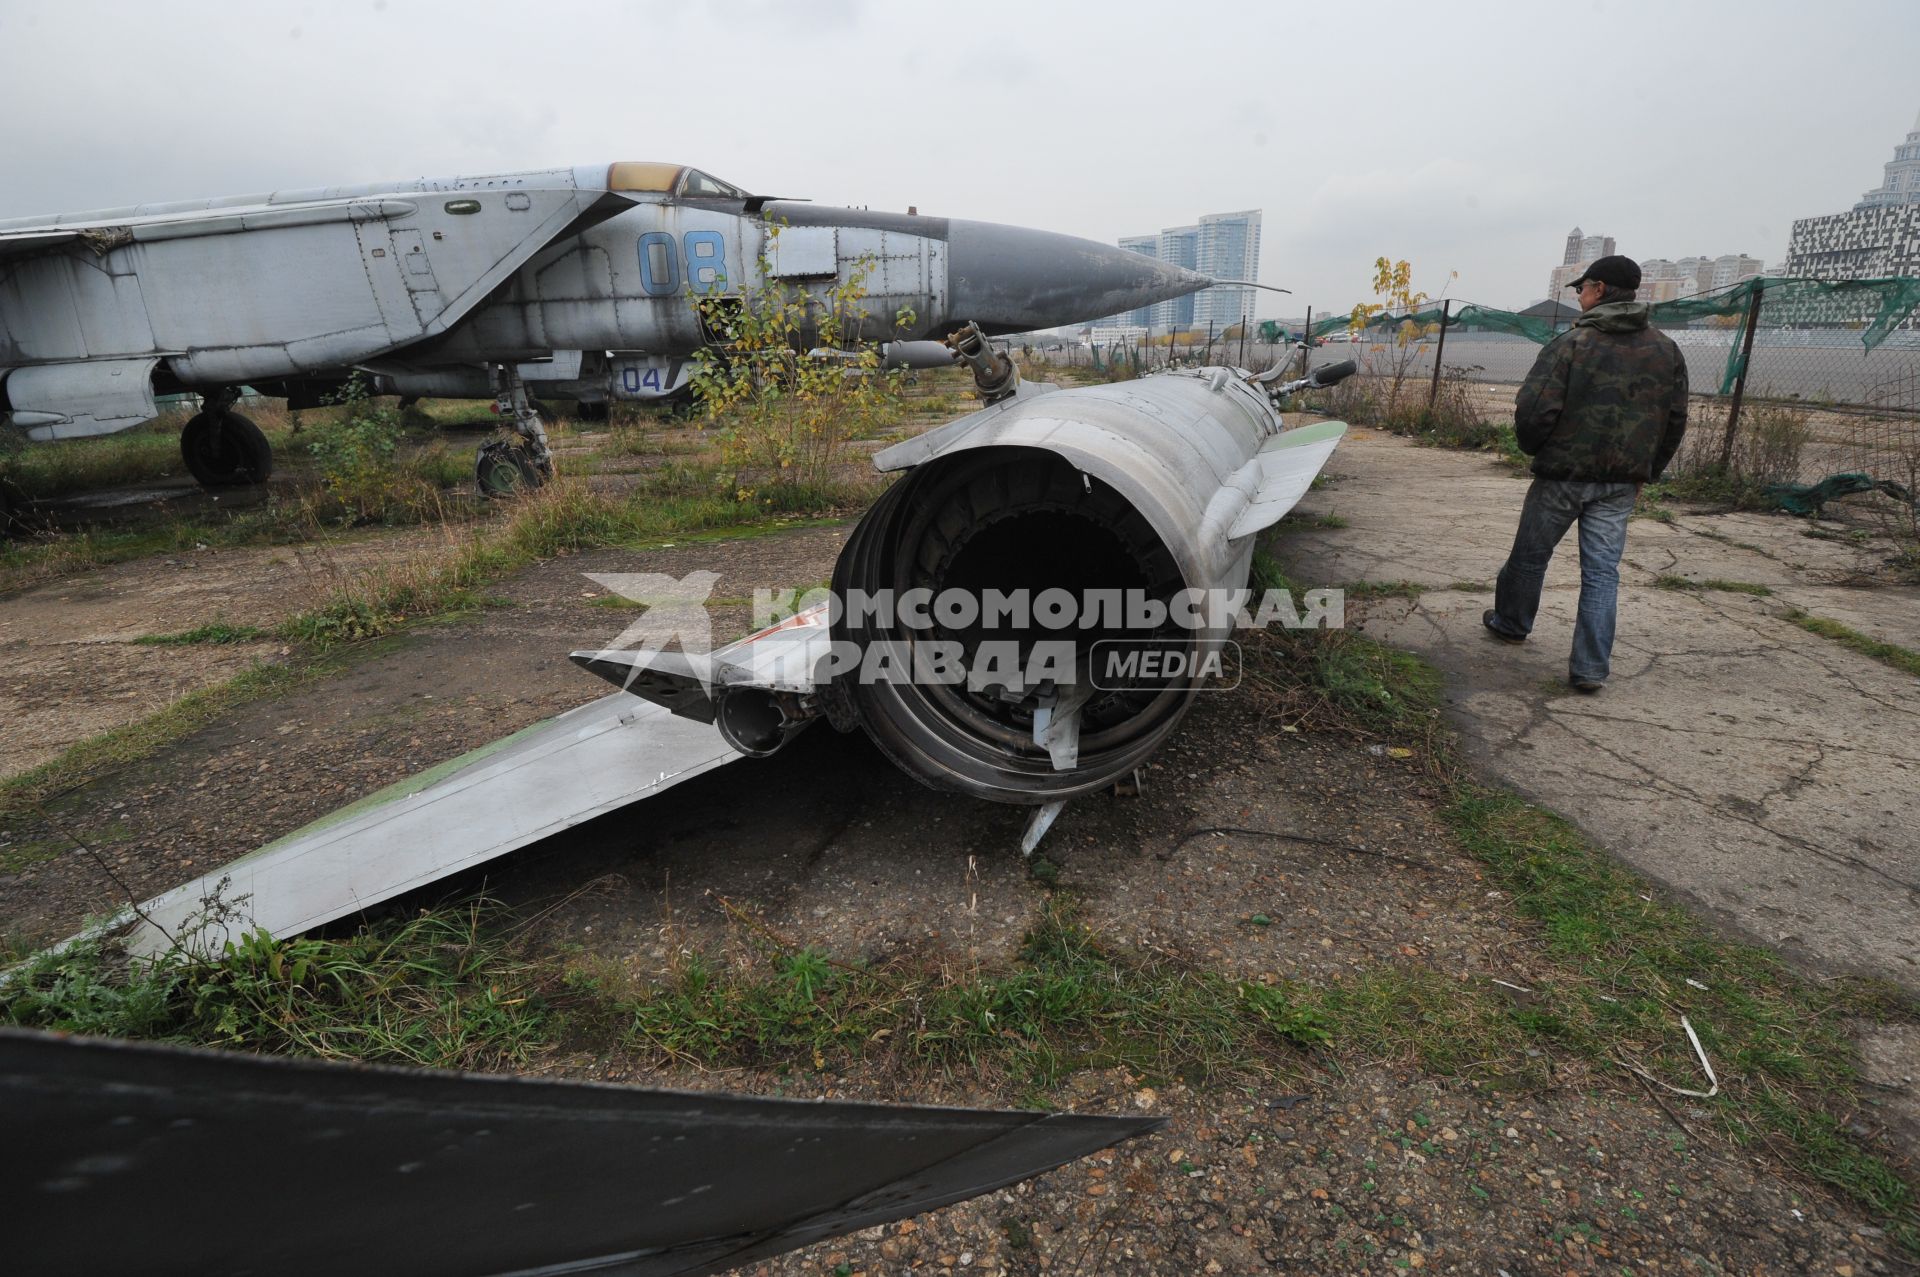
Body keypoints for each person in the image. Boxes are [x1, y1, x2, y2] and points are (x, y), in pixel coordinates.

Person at [1483, 255, 1689, 693]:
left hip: (1562, 475)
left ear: (1597, 289)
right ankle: (1591, 668)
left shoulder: (1571, 345)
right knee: (1602, 572)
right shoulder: (1665, 349)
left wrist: (1539, 452)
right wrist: (1646, 470)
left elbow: (1534, 410)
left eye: (1582, 288)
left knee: (1530, 557)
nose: (1579, 295)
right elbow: (1674, 419)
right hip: (1620, 483)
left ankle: (1511, 624)